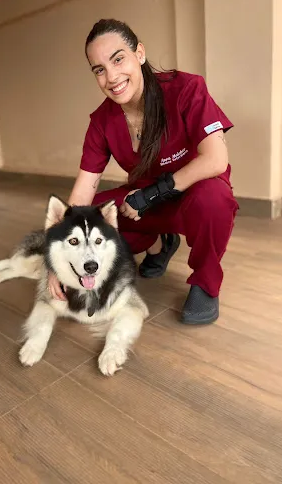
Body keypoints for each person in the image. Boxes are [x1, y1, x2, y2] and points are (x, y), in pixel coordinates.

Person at [48, 18, 239, 325]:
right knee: (96, 217)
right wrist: (59, 258)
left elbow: (216, 159)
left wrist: (152, 194)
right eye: (99, 69)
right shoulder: (102, 120)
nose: (111, 77)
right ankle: (160, 243)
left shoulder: (186, 88)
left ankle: (205, 282)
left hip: (192, 196)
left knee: (214, 199)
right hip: (143, 206)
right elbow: (83, 192)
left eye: (118, 59)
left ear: (139, 53)